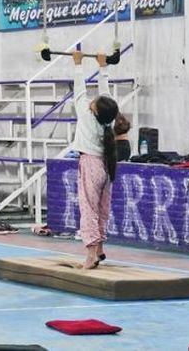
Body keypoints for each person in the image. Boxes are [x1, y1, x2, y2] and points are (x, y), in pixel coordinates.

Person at [70, 50, 119, 269]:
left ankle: (91, 253)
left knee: (88, 208)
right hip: (105, 166)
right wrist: (103, 67)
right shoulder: (108, 119)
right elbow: (107, 96)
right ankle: (99, 248)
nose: (94, 100)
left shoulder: (86, 115)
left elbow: (79, 91)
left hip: (90, 164)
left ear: (94, 109)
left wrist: (78, 64)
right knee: (101, 207)